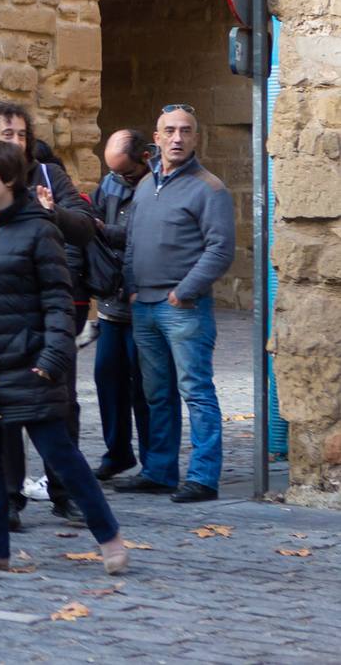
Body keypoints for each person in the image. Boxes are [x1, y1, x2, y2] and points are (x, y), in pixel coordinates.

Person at [0, 140, 129, 575]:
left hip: (29, 365)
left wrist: (51, 359)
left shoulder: (39, 230)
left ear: (8, 181)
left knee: (63, 458)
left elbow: (59, 303)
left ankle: (110, 537)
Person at [0, 103, 97, 524]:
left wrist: (51, 212)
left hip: (45, 308)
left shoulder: (49, 175)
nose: (15, 141)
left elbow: (85, 226)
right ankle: (9, 497)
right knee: (2, 409)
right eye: (6, 134)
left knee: (59, 403)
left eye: (20, 135)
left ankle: (65, 492)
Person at [121, 105, 235, 503]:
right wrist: (133, 286)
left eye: (186, 131)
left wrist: (184, 291)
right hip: (145, 306)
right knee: (157, 395)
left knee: (196, 392)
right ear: (156, 138)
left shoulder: (210, 188)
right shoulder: (144, 186)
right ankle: (159, 470)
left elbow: (220, 250)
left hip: (183, 308)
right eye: (169, 131)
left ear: (195, 137)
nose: (177, 138)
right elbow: (133, 241)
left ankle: (203, 478)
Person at [91, 130, 175, 482]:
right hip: (112, 301)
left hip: (145, 298)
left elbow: (148, 236)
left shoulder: (159, 184)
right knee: (106, 377)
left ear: (144, 158)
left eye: (124, 173)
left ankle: (152, 461)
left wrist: (104, 231)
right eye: (113, 173)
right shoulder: (109, 184)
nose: (118, 180)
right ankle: (118, 452)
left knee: (147, 386)